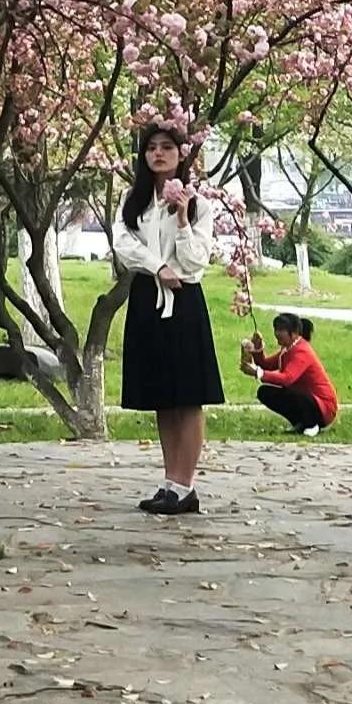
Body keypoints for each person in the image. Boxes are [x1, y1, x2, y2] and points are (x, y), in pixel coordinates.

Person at [113, 123, 224, 517]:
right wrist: (157, 266)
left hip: (184, 300)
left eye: (167, 147)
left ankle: (185, 485)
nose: (158, 154)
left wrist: (180, 218)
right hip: (148, 297)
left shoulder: (200, 205)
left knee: (187, 397)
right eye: (151, 148)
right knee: (162, 396)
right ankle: (169, 481)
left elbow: (196, 260)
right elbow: (123, 244)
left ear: (181, 154)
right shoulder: (134, 200)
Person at [240, 311, 338, 436]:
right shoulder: (287, 349)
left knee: (295, 392)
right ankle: (300, 422)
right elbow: (267, 365)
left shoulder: (302, 351)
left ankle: (312, 424)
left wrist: (258, 372)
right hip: (305, 397)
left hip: (323, 406)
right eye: (276, 329)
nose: (277, 333)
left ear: (295, 333)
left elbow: (287, 378)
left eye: (281, 330)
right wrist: (257, 350)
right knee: (265, 392)